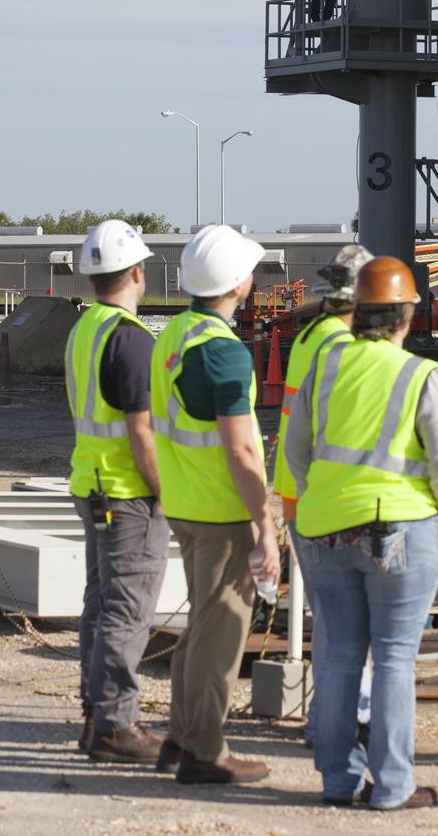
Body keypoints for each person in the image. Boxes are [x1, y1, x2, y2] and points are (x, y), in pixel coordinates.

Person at [285, 256, 438, 810]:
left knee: (336, 655)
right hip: (399, 530)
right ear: (408, 312)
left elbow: (295, 453)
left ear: (357, 312)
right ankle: (391, 788)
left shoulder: (325, 367)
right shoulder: (421, 375)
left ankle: (338, 784)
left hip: (322, 528)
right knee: (392, 659)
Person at [151, 224, 279, 785]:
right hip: (221, 509)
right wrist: (266, 524)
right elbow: (241, 449)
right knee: (223, 630)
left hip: (183, 504)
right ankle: (205, 751)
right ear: (238, 283)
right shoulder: (226, 353)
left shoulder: (175, 334)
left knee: (202, 625)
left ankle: (180, 741)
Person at [65, 219, 169, 764]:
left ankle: (97, 713)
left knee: (101, 605)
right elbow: (142, 429)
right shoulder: (130, 339)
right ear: (135, 271)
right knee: (127, 612)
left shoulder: (85, 330)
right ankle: (115, 724)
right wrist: (164, 491)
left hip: (93, 484)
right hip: (126, 493)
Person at [272, 243, 374, 750]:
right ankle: (341, 721)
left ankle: (327, 717)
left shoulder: (314, 333)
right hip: (325, 495)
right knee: (344, 622)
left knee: (329, 616)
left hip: (300, 491)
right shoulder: (341, 345)